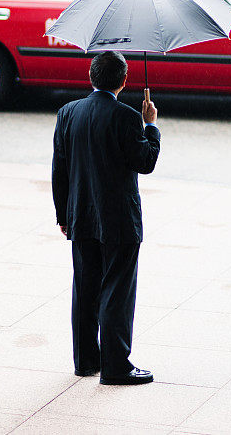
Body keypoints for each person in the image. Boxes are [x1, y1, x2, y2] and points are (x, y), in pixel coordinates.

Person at [52, 51, 161, 385]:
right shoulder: (127, 117)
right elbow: (145, 162)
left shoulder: (68, 113)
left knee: (85, 288)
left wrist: (63, 214)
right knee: (117, 290)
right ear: (124, 80)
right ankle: (116, 365)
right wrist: (151, 126)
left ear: (91, 76)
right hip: (118, 221)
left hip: (80, 215)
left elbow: (60, 169)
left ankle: (86, 360)